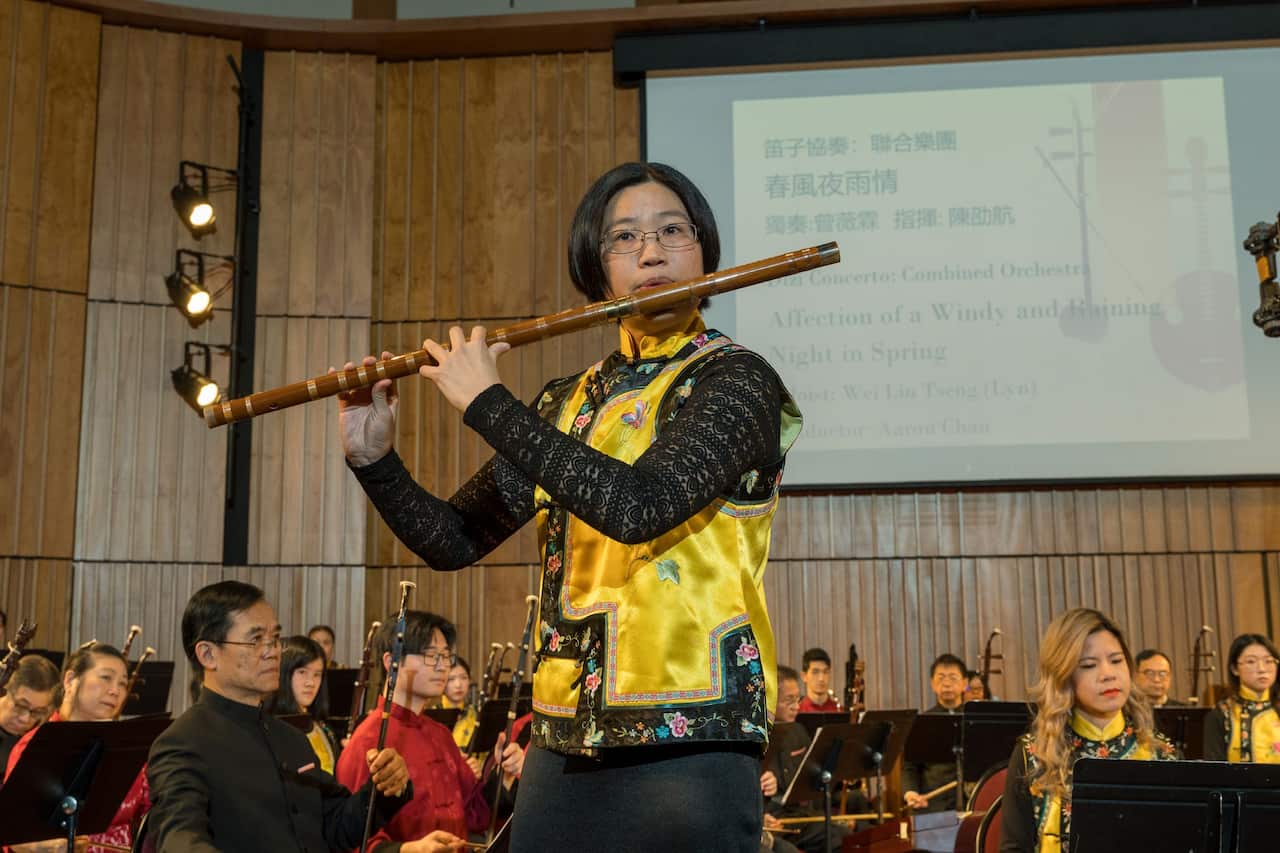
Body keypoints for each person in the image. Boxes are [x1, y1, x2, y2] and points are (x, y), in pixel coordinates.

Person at [338, 161, 800, 852]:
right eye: (624, 238)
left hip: (694, 741)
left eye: (673, 230)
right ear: (596, 268)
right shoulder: (570, 400)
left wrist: (489, 404)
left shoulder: (738, 381)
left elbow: (640, 504)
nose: (650, 251)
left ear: (703, 248)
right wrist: (374, 459)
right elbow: (453, 539)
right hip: (559, 741)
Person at [145, 581, 452, 853]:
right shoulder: (182, 743)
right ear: (208, 654)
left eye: (275, 638)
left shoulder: (291, 737)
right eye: (255, 640)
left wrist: (387, 787)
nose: (273, 651)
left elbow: (334, 827)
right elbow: (180, 838)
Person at [1000, 609, 1176, 853]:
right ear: (1063, 677)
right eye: (1089, 665)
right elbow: (1014, 848)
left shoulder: (1161, 752)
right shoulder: (1034, 754)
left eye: (1116, 660)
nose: (1108, 674)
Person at [336, 611, 485, 847]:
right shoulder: (369, 739)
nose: (442, 666)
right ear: (390, 662)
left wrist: (504, 774)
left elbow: (476, 813)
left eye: (446, 656)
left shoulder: (441, 734)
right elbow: (353, 837)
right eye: (429, 655)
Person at [5, 644, 148, 853]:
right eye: (105, 678)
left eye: (123, 684)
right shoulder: (37, 744)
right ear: (70, 679)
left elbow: (154, 813)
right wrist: (44, 847)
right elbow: (13, 831)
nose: (115, 691)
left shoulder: (124, 746)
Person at [761, 665, 850, 853]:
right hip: (779, 819)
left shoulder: (798, 730)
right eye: (789, 700)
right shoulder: (761, 738)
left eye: (797, 699)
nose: (796, 706)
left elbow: (813, 770)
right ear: (771, 700)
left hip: (803, 812)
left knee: (849, 829)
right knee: (836, 836)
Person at [902, 653, 967, 813]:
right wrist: (911, 792)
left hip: (970, 799)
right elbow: (909, 766)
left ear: (965, 683)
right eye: (941, 678)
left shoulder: (975, 719)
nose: (946, 684)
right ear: (932, 684)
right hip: (932, 802)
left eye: (953, 678)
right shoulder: (922, 721)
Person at [268, 635, 341, 774]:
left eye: (317, 674)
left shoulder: (322, 727)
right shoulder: (271, 729)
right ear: (285, 674)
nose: (310, 683)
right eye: (302, 672)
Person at [1203, 633, 1280, 763]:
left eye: (1268, 661)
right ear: (1234, 669)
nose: (1262, 669)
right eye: (1251, 661)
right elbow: (1215, 773)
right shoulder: (1221, 715)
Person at [0, 654, 58, 779]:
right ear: (7, 689)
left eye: (37, 712)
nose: (25, 719)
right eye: (20, 705)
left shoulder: (39, 741)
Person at [440, 657, 478, 756]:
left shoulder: (477, 715)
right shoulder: (432, 715)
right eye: (451, 679)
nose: (458, 684)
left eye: (463, 678)